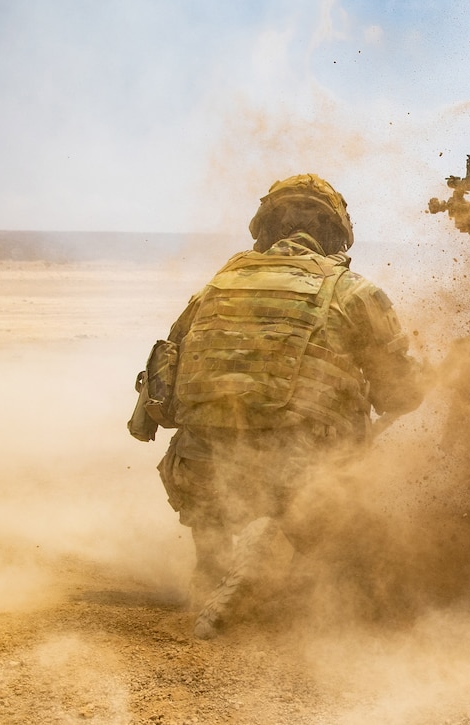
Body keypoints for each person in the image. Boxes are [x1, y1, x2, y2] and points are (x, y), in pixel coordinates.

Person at [134, 173, 426, 639]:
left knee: (207, 453)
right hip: (297, 476)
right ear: (335, 233)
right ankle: (285, 546)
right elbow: (400, 395)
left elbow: (161, 396)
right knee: (344, 514)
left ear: (265, 228)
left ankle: (211, 567)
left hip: (202, 473)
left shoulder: (212, 289)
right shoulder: (354, 292)